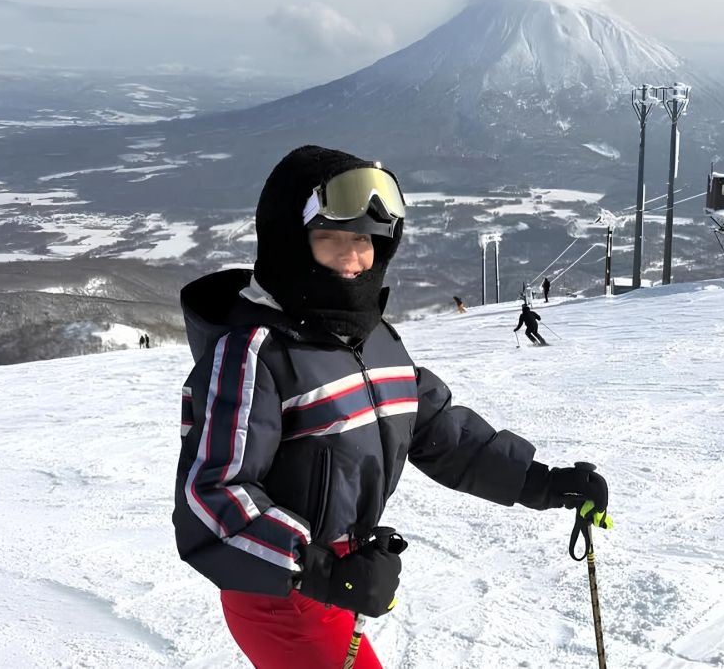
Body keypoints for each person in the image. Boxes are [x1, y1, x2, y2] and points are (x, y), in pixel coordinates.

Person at [173, 145, 611, 669]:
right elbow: (211, 496)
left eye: (363, 241)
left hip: (336, 578)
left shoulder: (375, 339)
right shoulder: (253, 353)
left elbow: (439, 431)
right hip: (277, 593)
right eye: (330, 239)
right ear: (291, 243)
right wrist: (317, 569)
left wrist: (542, 481)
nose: (353, 259)